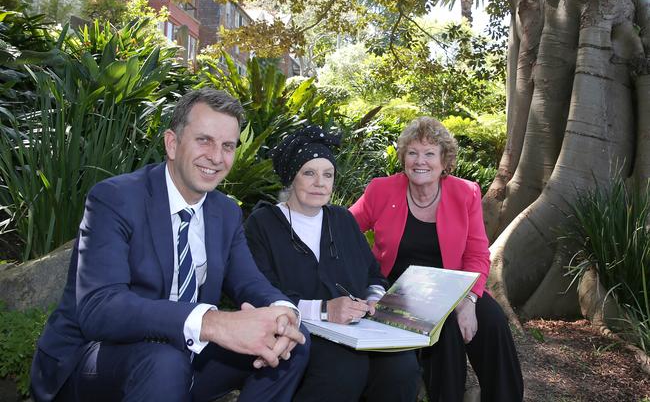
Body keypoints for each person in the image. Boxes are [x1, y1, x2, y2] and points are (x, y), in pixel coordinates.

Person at [30, 88, 309, 402]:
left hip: (183, 360)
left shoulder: (226, 212)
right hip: (97, 360)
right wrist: (211, 323)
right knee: (164, 361)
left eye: (227, 146)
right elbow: (100, 309)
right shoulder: (116, 199)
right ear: (172, 144)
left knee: (291, 342)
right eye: (204, 140)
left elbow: (250, 281)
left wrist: (284, 313)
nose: (217, 158)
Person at [350, 117, 523, 402]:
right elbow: (344, 229)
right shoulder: (381, 190)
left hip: (451, 288)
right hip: (398, 291)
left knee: (492, 322)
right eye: (413, 152)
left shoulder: (465, 193)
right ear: (403, 157)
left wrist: (469, 301)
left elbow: (478, 254)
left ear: (444, 161)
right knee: (445, 328)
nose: (421, 161)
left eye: (430, 153)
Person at [244, 125, 420, 402]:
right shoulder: (263, 224)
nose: (320, 183)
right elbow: (260, 293)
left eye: (328, 174)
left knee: (402, 367)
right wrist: (325, 310)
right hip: (302, 330)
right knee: (344, 369)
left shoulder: (342, 220)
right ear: (291, 177)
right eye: (309, 173)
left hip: (357, 330)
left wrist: (375, 301)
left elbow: (373, 276)